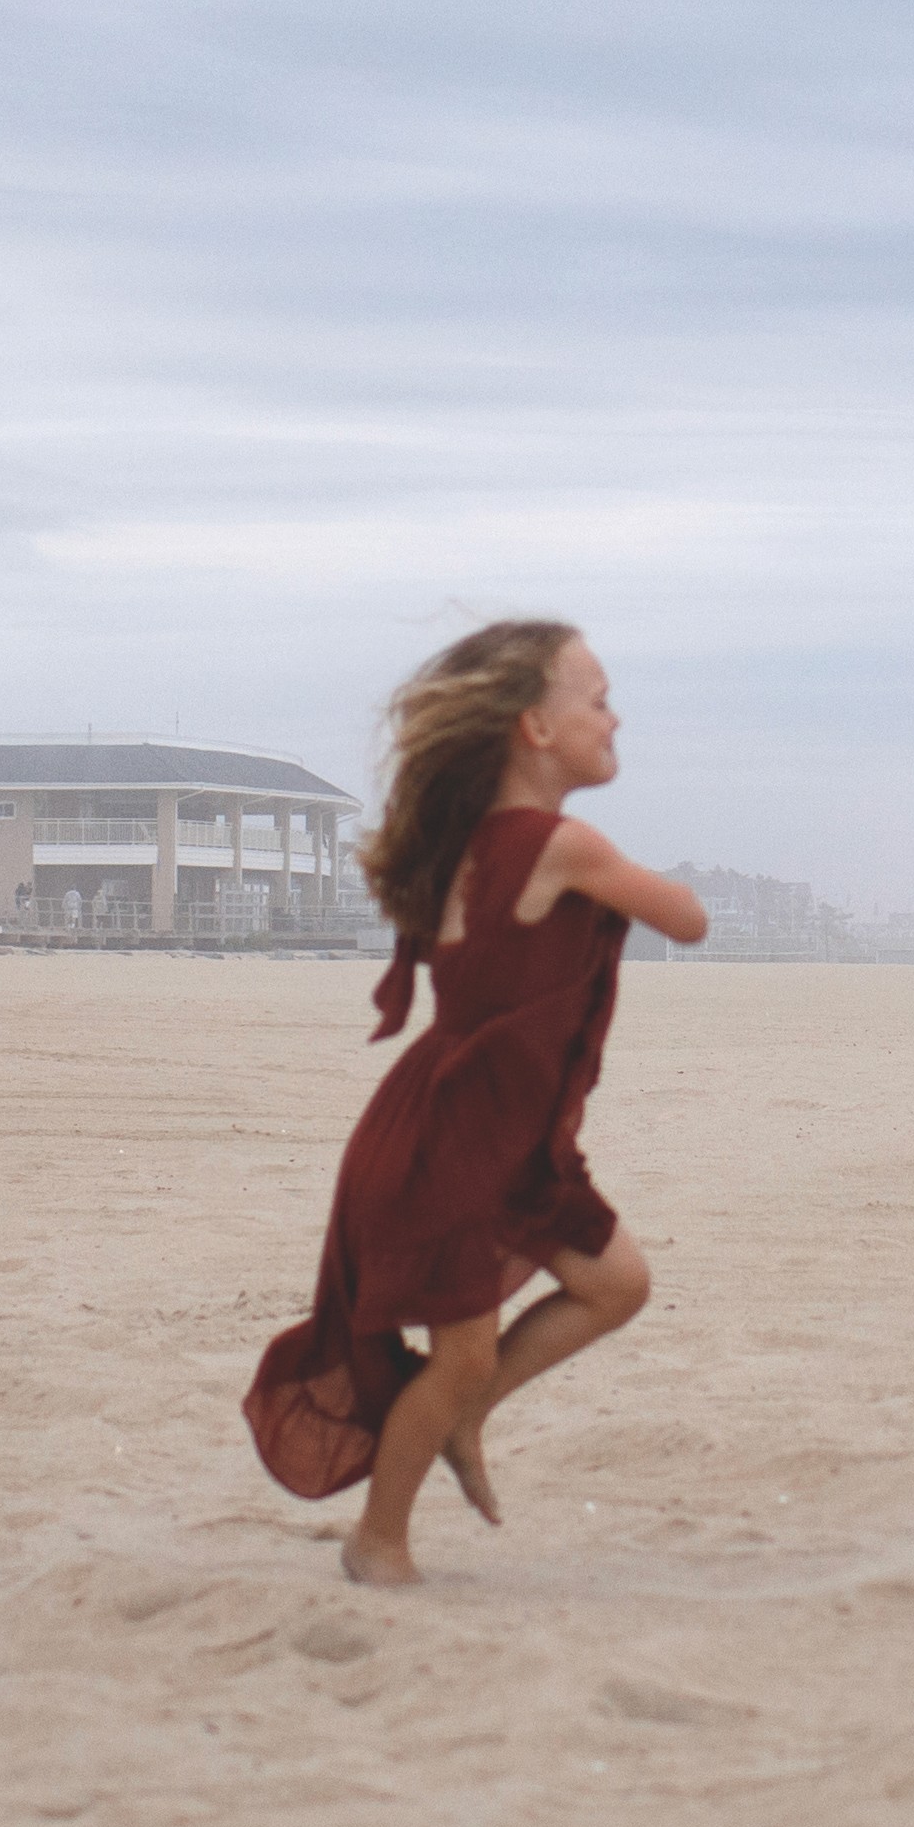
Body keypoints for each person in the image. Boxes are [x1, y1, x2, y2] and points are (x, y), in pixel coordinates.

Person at [244, 621, 703, 1586]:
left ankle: (468, 1412)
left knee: (615, 1283)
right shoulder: (559, 846)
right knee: (454, 1355)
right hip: (457, 1142)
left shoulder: (469, 843)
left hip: (491, 1132)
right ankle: (381, 1540)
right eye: (598, 699)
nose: (616, 717)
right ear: (536, 729)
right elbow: (687, 919)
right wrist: (630, 882)